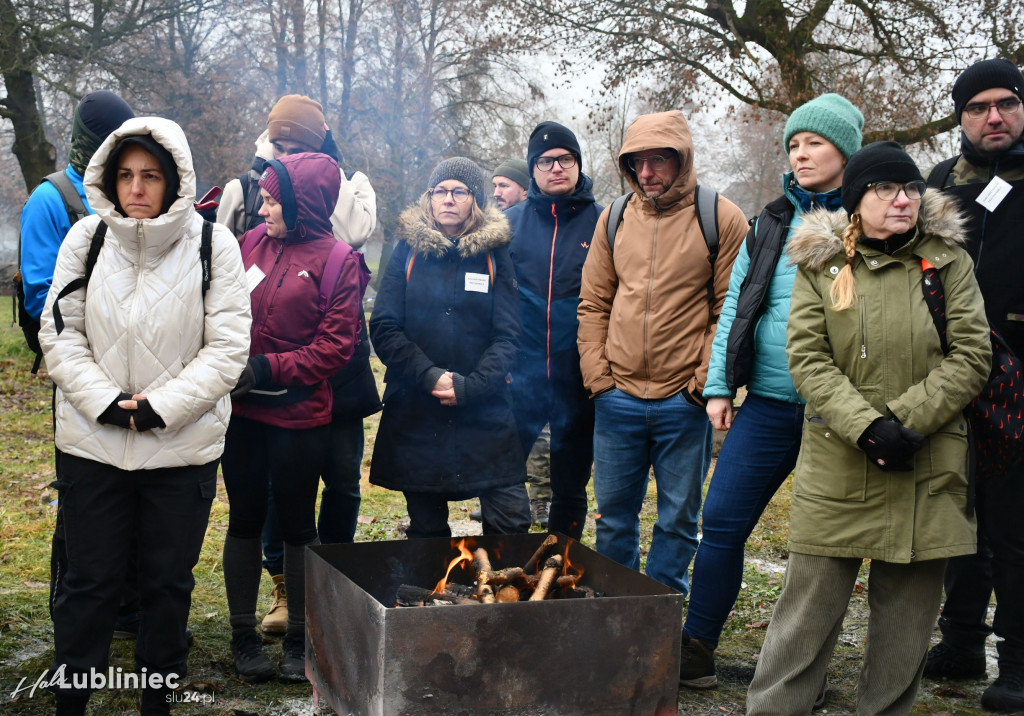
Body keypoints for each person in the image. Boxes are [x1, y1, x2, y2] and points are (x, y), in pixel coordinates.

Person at [745, 141, 992, 715]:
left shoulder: (947, 261)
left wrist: (905, 421)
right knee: (804, 618)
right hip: (839, 463)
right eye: (885, 188)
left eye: (910, 188)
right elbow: (808, 358)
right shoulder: (821, 264)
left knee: (905, 630)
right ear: (857, 199)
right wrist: (868, 428)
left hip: (927, 464)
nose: (902, 199)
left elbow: (972, 354)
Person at [39, 116, 252, 715]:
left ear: (174, 180)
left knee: (166, 586)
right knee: (89, 584)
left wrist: (161, 408)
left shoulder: (213, 245)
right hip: (93, 444)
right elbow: (60, 333)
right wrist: (104, 402)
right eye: (126, 174)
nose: (136, 188)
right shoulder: (87, 239)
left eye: (151, 176)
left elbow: (228, 348)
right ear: (109, 177)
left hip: (180, 450)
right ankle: (71, 703)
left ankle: (157, 702)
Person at [679, 94, 864, 688]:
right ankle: (697, 648)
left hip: (836, 413)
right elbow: (737, 305)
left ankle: (801, 670)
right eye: (794, 144)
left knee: (821, 547)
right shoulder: (770, 221)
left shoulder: (869, 219)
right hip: (765, 404)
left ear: (846, 152)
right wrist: (719, 386)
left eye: (815, 143)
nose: (800, 154)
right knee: (721, 522)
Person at [218, 94, 380, 636]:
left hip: (317, 395)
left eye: (293, 145)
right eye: (277, 142)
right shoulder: (251, 226)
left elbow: (336, 340)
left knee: (334, 487)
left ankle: (330, 597)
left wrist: (266, 369)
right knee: (256, 507)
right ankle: (279, 598)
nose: (281, 151)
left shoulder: (343, 206)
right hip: (248, 404)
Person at [577, 110, 747, 593]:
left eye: (658, 160)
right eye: (638, 162)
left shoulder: (721, 217)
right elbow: (593, 304)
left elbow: (730, 311)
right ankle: (618, 605)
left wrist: (700, 386)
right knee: (613, 518)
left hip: (684, 401)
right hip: (617, 399)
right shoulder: (614, 218)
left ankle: (663, 606)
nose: (647, 173)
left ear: (682, 159)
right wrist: (600, 381)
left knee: (677, 520)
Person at [922, 58, 1024, 712]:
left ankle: (1016, 663)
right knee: (957, 515)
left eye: (1006, 103)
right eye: (978, 107)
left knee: (1013, 526)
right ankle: (960, 640)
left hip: (1020, 382)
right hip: (951, 375)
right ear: (961, 117)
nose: (994, 117)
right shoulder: (938, 185)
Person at [369, 157, 531, 539]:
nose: (448, 199)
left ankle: (502, 580)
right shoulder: (407, 251)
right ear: (429, 197)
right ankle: (434, 580)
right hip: (417, 408)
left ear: (475, 199)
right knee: (427, 530)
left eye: (459, 191)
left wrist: (471, 386)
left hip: (485, 409)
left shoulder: (495, 254)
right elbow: (385, 326)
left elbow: (508, 335)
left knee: (511, 522)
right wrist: (429, 376)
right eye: (439, 191)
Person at [504, 123, 603, 540]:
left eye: (565, 158)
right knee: (504, 478)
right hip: (518, 376)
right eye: (545, 161)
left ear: (578, 163)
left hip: (577, 378)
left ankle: (560, 563)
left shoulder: (605, 223)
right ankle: (503, 558)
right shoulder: (507, 224)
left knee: (570, 486)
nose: (556, 168)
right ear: (533, 169)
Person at [469, 158, 551, 528]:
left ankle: (541, 502)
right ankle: (498, 497)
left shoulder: (534, 228)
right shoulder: (494, 228)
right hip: (500, 351)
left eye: (504, 185)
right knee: (501, 431)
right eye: (495, 185)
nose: (497, 192)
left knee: (542, 435)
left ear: (524, 187)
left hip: (535, 350)